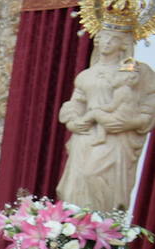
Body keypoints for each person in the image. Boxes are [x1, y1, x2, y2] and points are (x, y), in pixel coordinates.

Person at [55, 25, 155, 212]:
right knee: (76, 185)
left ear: (123, 44)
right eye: (103, 37)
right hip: (85, 137)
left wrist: (132, 122)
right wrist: (74, 121)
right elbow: (75, 103)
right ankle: (74, 233)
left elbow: (150, 103)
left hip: (116, 138)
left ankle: (103, 231)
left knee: (97, 178)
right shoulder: (86, 75)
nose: (107, 42)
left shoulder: (137, 71)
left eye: (113, 38)